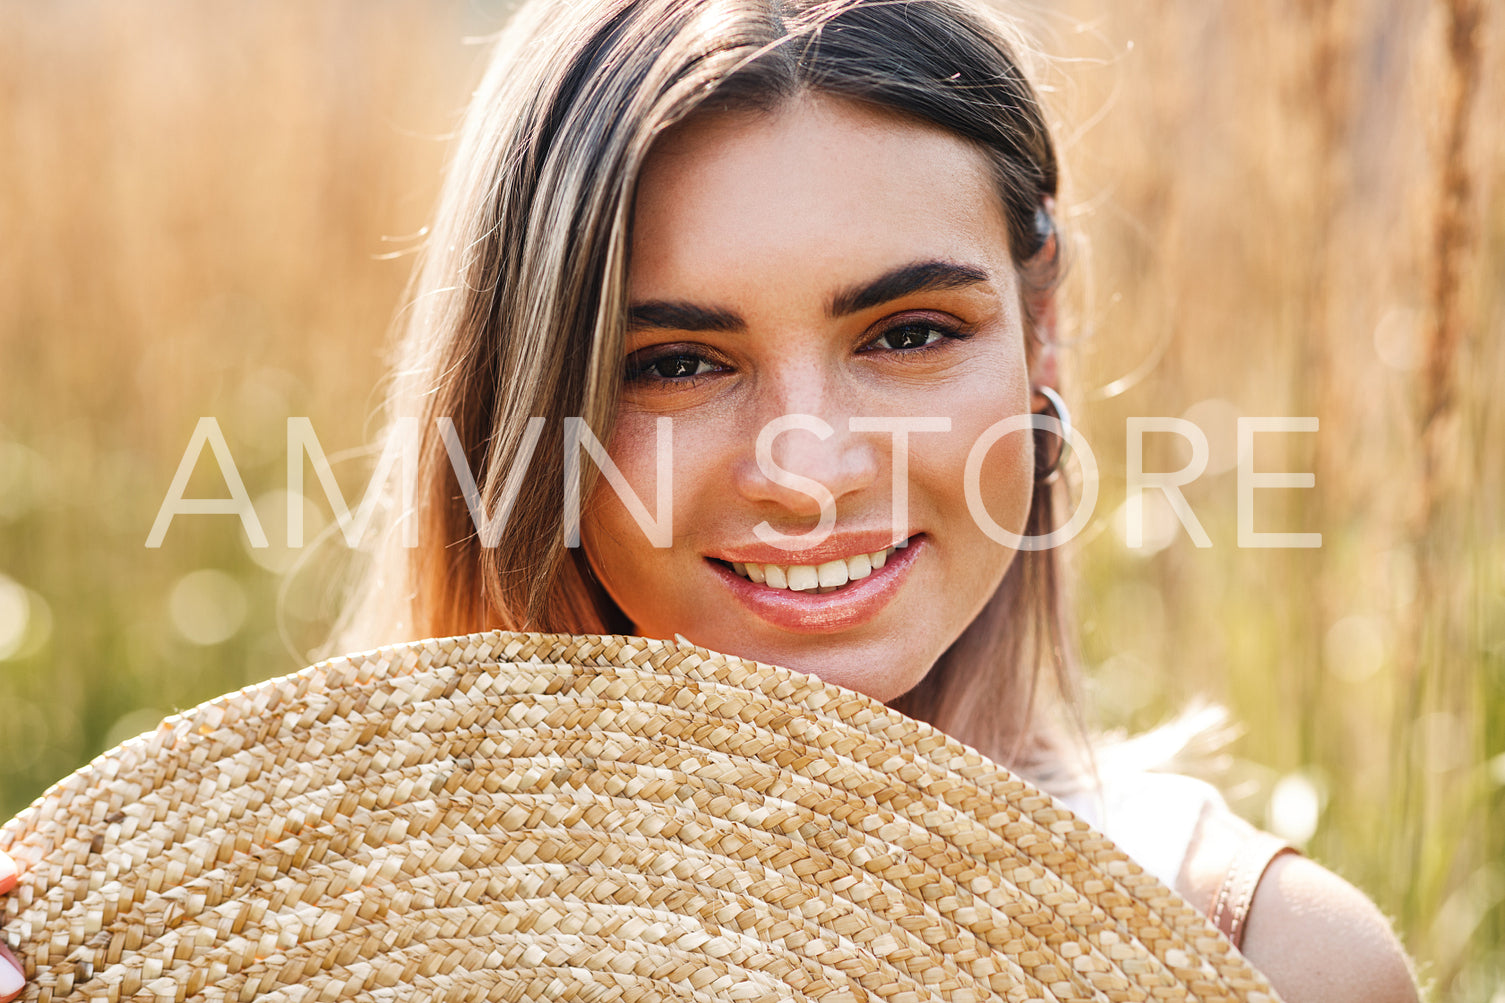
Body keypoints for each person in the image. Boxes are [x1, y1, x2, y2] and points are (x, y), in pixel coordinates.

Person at [0, 1, 1421, 1000]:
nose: (807, 470)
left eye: (908, 332)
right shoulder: (223, 937)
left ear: (1040, 332)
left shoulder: (1265, 969)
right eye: (675, 361)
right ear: (526, 400)